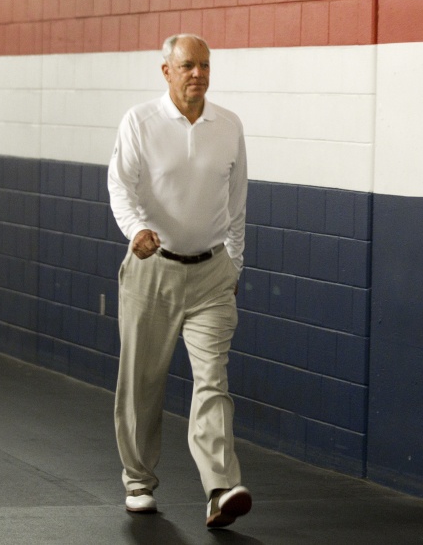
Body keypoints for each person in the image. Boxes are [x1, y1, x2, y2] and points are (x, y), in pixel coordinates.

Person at [107, 33, 251, 528]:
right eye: (188, 65)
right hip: (153, 272)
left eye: (205, 66)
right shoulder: (140, 122)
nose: (198, 74)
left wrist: (233, 264)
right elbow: (120, 186)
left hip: (212, 275)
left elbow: (237, 204)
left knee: (213, 381)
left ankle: (219, 488)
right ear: (166, 71)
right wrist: (136, 231)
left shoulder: (228, 126)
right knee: (141, 384)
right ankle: (138, 481)